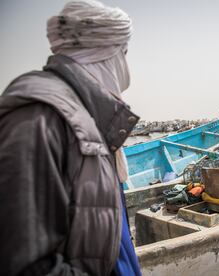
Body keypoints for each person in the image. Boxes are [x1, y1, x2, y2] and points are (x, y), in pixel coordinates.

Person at [0, 1, 141, 275]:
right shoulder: (38, 118)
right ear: (104, 52)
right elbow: (24, 263)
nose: (125, 64)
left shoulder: (87, 115)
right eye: (124, 52)